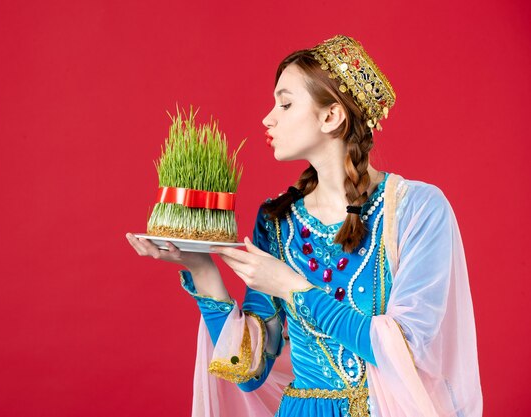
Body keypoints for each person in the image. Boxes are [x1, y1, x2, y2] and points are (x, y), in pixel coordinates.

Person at [126, 34, 482, 417]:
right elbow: (248, 371)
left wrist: (292, 287)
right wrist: (201, 268)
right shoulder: (278, 221)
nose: (268, 117)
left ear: (331, 116)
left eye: (286, 103)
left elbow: (406, 345)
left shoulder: (416, 209)